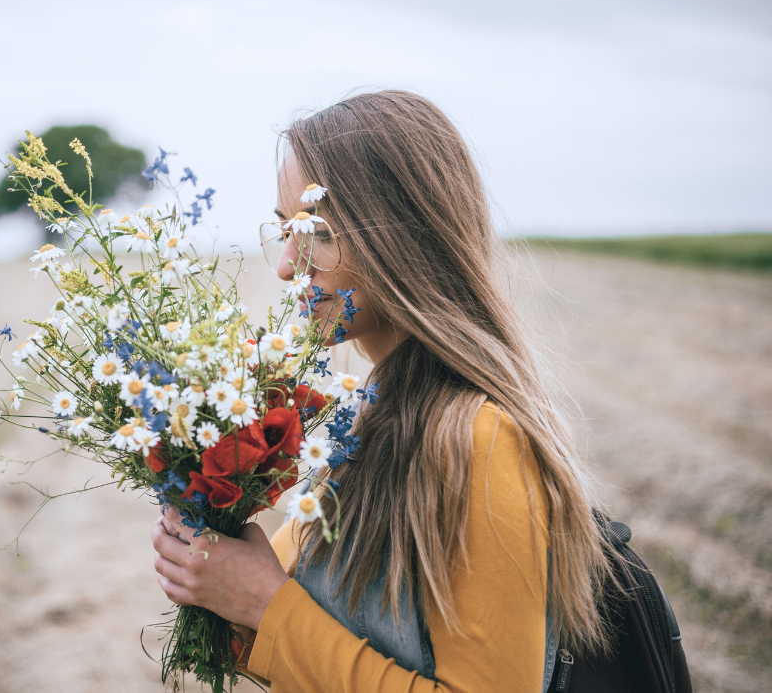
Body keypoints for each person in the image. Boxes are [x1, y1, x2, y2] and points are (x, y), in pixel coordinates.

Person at [150, 90, 613, 692]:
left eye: (314, 230)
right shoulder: (367, 420)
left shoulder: (479, 439)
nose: (288, 265)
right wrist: (213, 542)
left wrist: (264, 607)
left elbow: (284, 614)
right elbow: (303, 628)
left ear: (400, 236)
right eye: (285, 230)